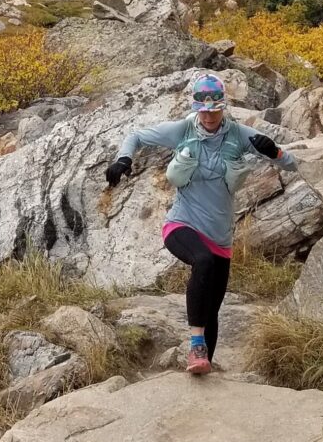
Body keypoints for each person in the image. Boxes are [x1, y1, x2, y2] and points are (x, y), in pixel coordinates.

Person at [104, 71, 296, 375]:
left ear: (223, 108)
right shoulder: (183, 130)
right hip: (182, 224)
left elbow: (291, 164)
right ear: (196, 109)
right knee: (202, 262)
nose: (208, 117)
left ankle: (202, 365)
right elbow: (135, 136)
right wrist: (124, 159)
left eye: (214, 111)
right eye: (203, 111)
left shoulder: (239, 135)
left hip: (221, 237)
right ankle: (196, 345)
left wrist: (275, 151)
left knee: (212, 309)